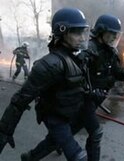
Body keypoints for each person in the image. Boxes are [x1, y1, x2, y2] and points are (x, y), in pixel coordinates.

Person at [19, 14, 124, 161]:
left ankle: (32, 156)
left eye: (116, 35)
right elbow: (72, 72)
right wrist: (89, 90)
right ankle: (33, 156)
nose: (114, 38)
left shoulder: (109, 51)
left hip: (92, 99)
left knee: (67, 135)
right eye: (111, 34)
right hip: (82, 99)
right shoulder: (88, 50)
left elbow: (114, 70)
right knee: (83, 134)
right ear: (101, 32)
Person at [0, 7, 91, 161]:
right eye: (77, 32)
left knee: (54, 141)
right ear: (62, 32)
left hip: (70, 112)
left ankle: (30, 157)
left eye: (83, 32)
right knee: (78, 156)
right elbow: (19, 101)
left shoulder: (78, 58)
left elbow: (77, 85)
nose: (82, 38)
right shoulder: (48, 65)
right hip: (55, 116)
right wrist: (4, 132)